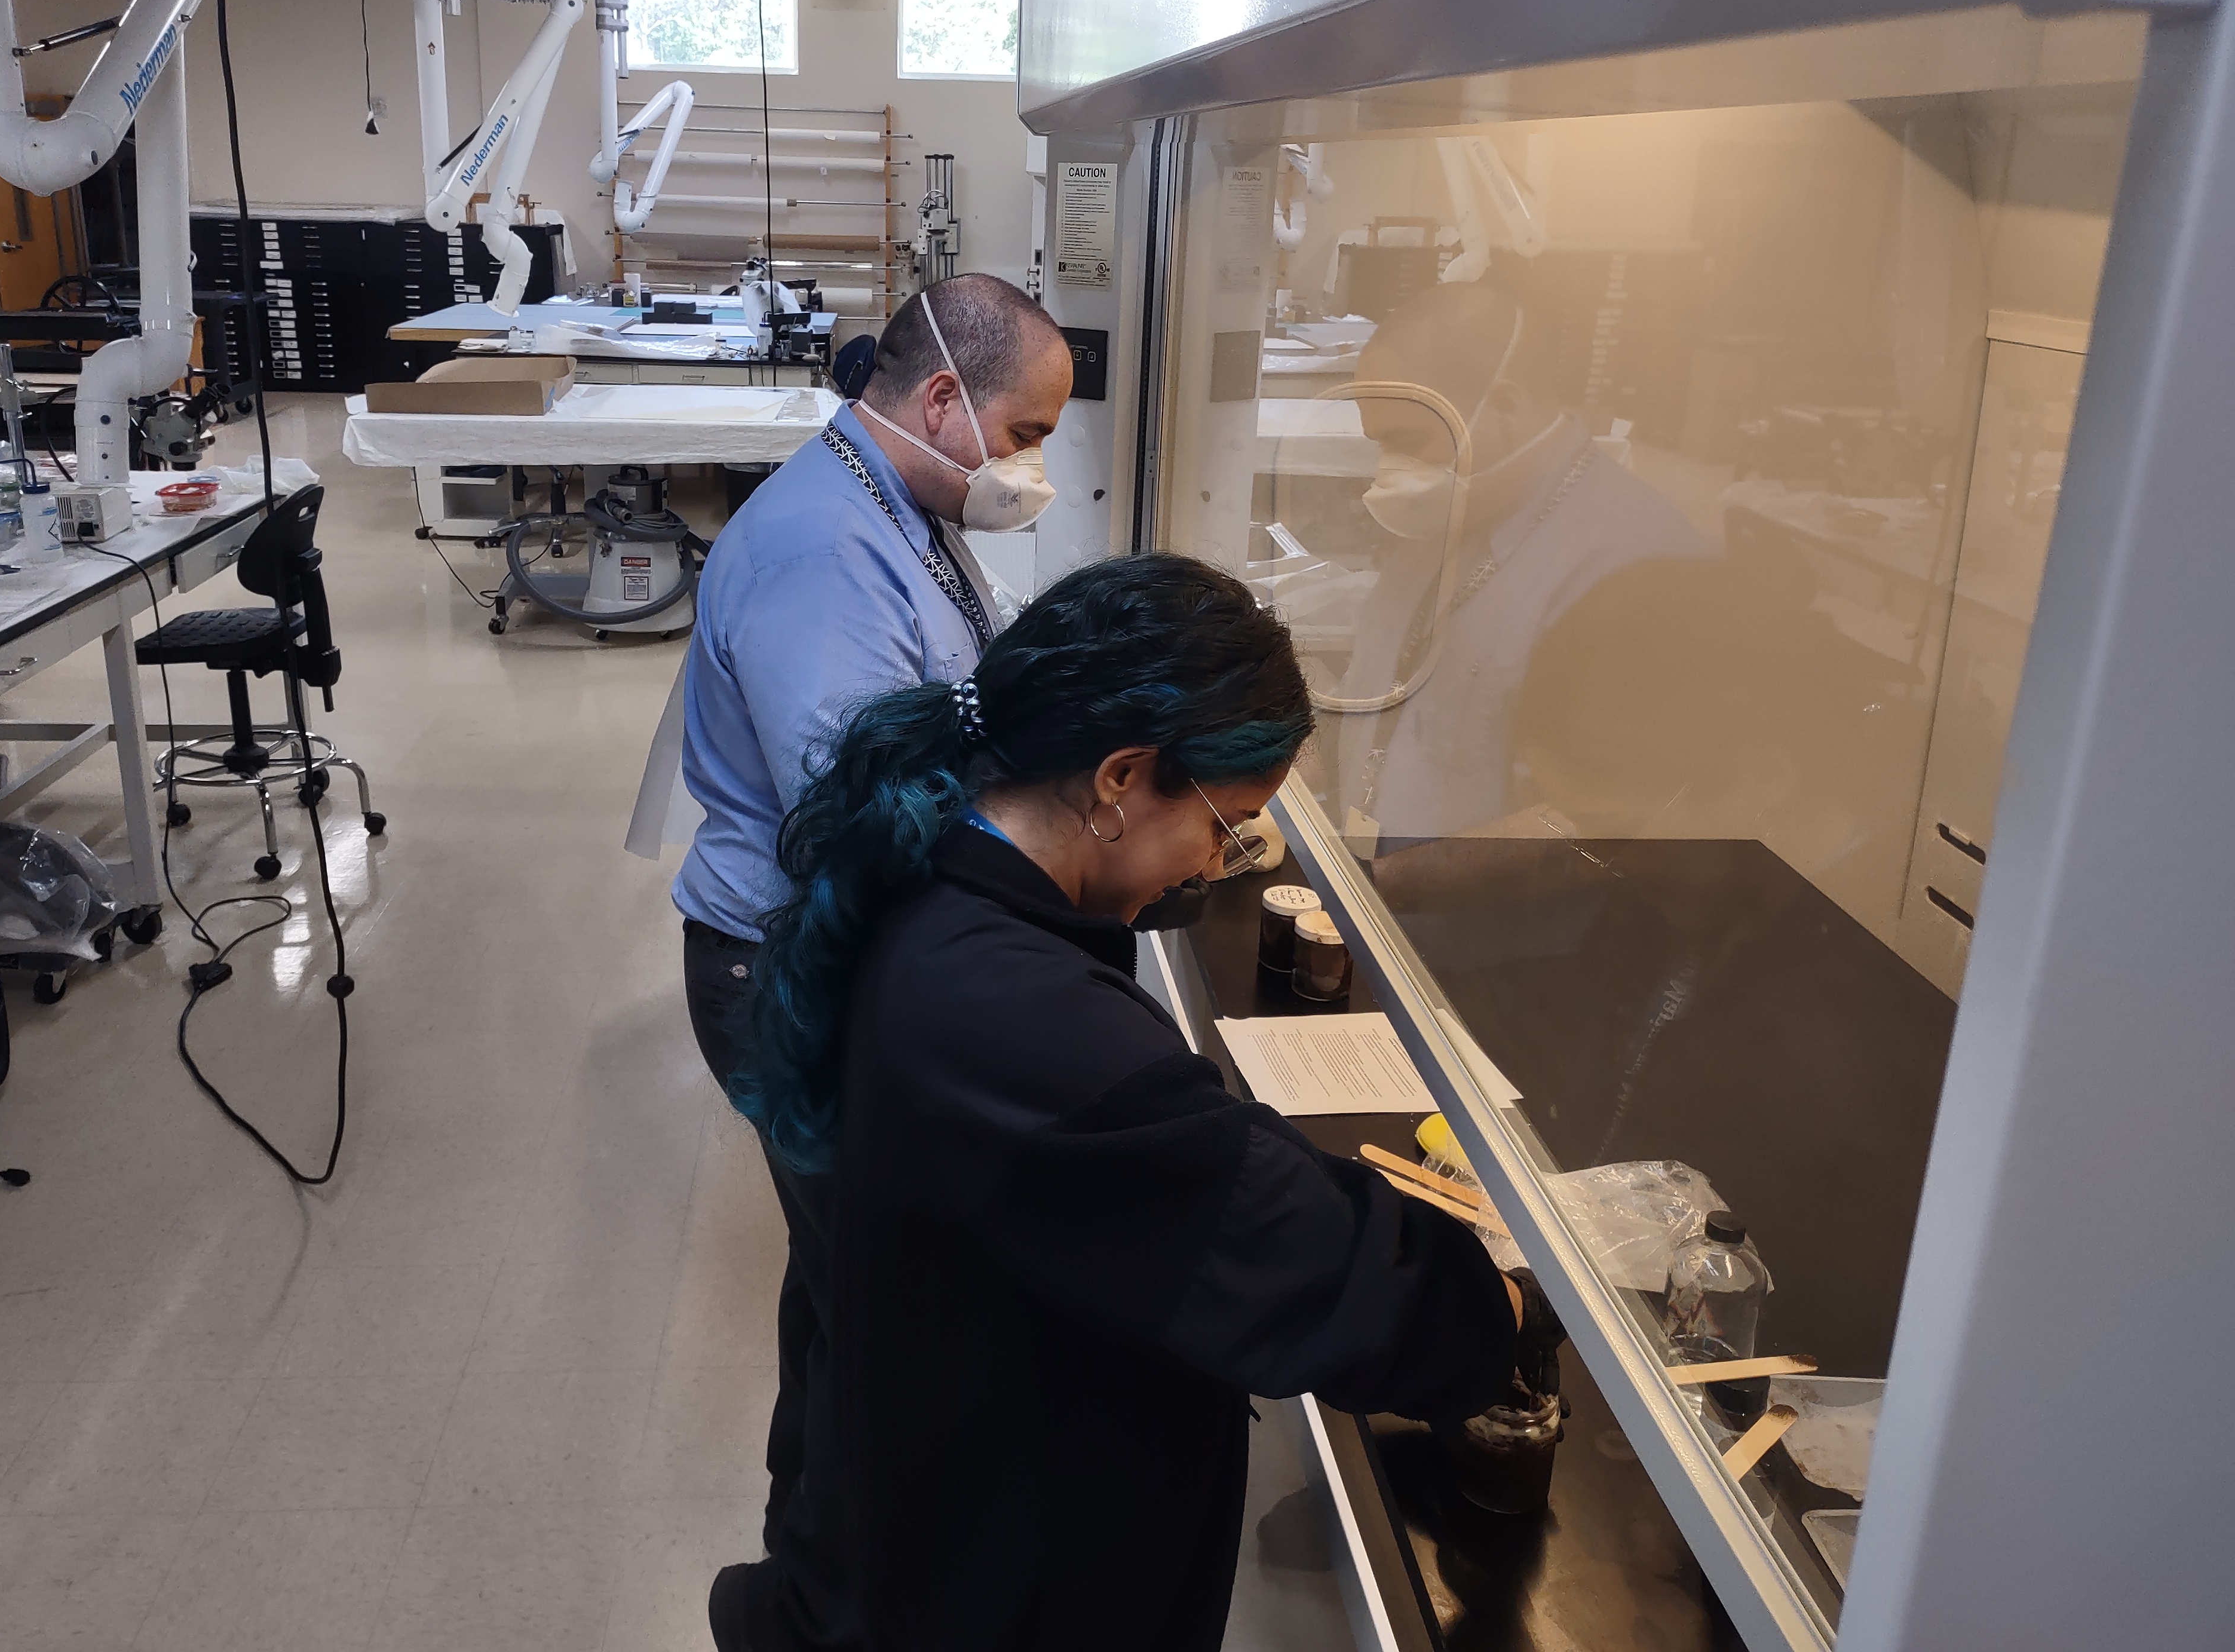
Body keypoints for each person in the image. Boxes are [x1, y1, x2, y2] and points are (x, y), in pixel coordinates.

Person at [713, 551, 1562, 1652]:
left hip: (911, 1466)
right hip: (980, 1578)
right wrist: (1498, 1309)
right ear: (1120, 779)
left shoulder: (925, 869)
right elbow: (1287, 1256)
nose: (1215, 864)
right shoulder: (1014, 1018)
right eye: (1224, 821)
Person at [670, 274, 1075, 1613]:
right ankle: (830, 1599)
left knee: (847, 1279)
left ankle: (810, 1545)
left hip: (826, 947)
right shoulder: (820, 553)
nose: (1031, 468)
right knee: (887, 1304)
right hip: (780, 966)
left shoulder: (891, 499)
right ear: (945, 401)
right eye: (1024, 434)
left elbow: (958, 683)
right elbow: (854, 807)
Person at [1320, 282, 1709, 842]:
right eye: (1380, 445)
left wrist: (1397, 884)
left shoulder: (1638, 566)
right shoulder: (1454, 507)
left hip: (1466, 920)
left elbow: (1613, 817)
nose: (1390, 474)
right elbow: (1381, 692)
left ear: (1505, 403)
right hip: (1374, 890)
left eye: (1408, 441)